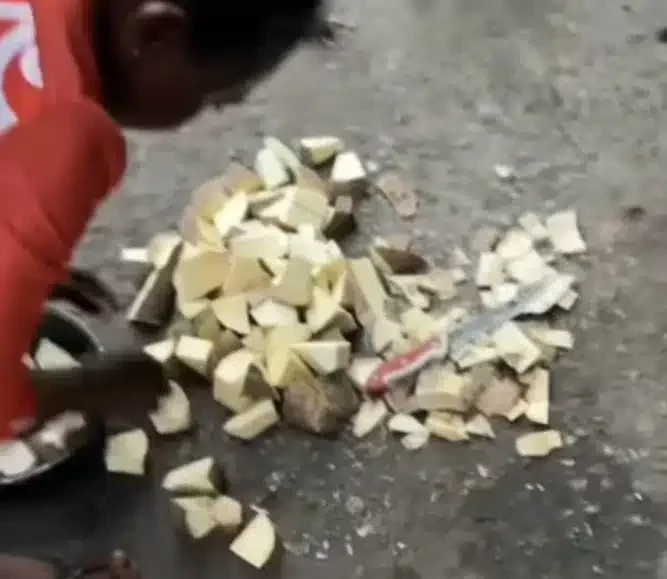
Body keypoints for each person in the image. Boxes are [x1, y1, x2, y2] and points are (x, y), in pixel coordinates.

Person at [0, 0, 329, 576]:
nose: (225, 106)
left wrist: (26, 261)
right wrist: (90, 385)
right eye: (211, 94)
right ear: (156, 34)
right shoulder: (66, 135)